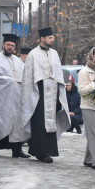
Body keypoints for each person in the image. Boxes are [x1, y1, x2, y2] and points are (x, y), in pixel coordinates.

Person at [19, 27, 70, 163]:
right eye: (49, 37)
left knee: (50, 121)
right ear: (42, 39)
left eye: (52, 37)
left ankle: (49, 150)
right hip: (38, 92)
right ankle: (40, 152)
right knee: (39, 123)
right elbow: (28, 78)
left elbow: (58, 74)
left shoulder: (54, 54)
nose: (52, 39)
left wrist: (60, 92)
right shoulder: (33, 55)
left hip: (52, 93)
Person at [0, 33, 29, 158]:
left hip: (16, 100)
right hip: (1, 101)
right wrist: (10, 82)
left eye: (12, 45)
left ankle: (17, 150)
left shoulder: (18, 61)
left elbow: (24, 76)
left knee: (16, 125)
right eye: (8, 45)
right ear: (3, 45)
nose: (10, 47)